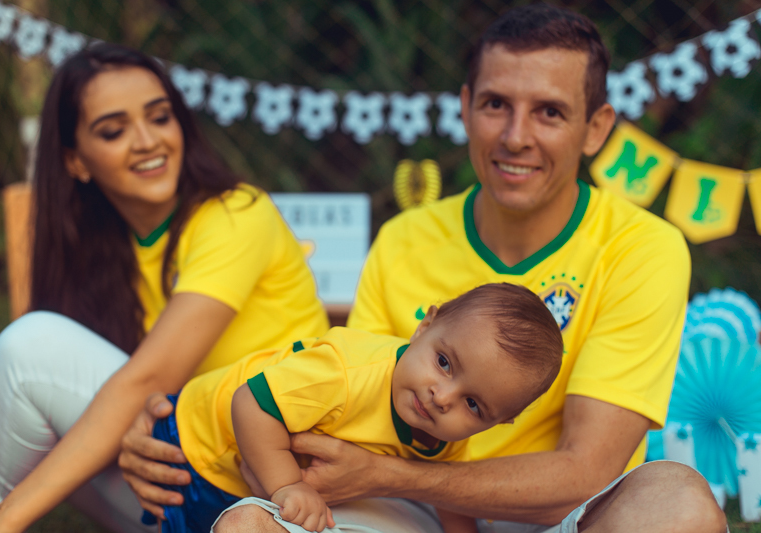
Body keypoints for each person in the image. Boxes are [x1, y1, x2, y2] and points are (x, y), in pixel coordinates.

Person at [120, 4, 727, 533]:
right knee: (250, 523)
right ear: (464, 109)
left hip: (558, 517)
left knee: (680, 505)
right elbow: (337, 403)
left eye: (549, 112)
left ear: (595, 128)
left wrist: (391, 472)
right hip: (407, 509)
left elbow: (585, 472)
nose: (516, 137)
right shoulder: (405, 239)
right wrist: (184, 417)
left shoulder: (642, 247)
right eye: (495, 104)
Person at [0, 43, 328, 533]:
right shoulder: (102, 248)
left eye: (160, 118)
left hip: (267, 486)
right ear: (75, 161)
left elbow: (146, 379)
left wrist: (6, 518)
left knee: (30, 346)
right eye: (114, 131)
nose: (147, 141)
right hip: (172, 467)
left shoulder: (236, 213)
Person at [147, 283, 563, 533]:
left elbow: (446, 489)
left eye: (472, 404)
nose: (442, 396)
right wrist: (290, 487)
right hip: (197, 442)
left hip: (254, 466)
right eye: (444, 362)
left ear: (498, 422)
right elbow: (251, 403)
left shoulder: (445, 432)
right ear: (425, 326)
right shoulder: (347, 373)